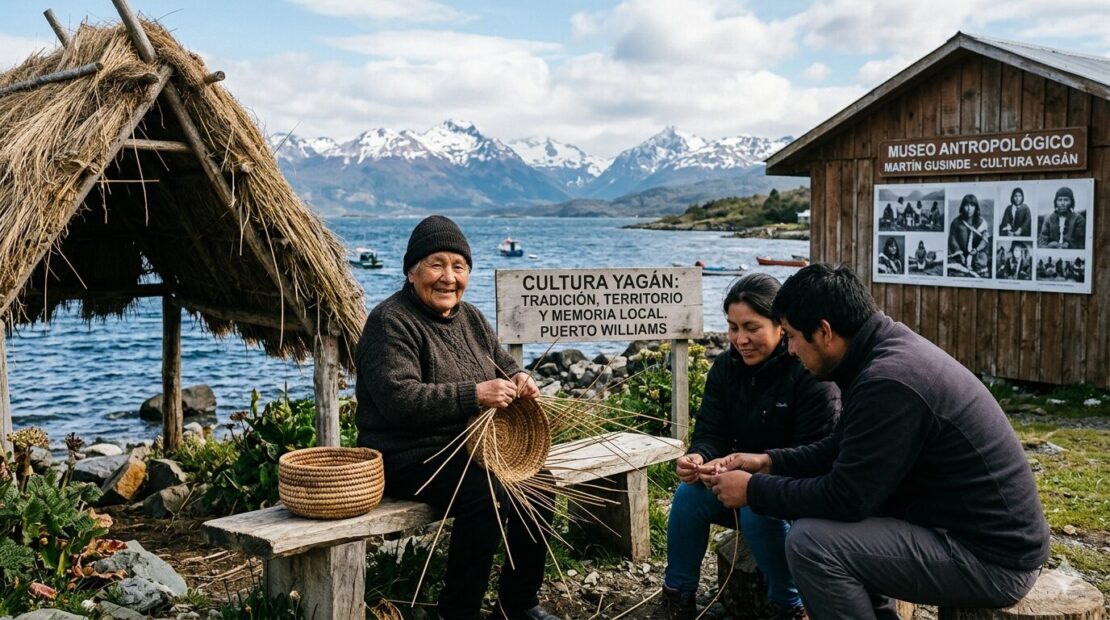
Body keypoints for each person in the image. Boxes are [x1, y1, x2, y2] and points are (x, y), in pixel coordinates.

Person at [698, 264, 1049, 620]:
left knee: (811, 544)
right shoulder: (882, 352)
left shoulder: (888, 381)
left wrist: (753, 490)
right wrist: (768, 462)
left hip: (993, 560)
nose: (789, 350)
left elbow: (846, 498)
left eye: (791, 336)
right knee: (840, 528)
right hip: (962, 532)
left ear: (824, 332)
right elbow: (838, 448)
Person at [355, 215, 559, 620]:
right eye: (436, 265)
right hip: (408, 455)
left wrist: (519, 378)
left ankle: (518, 603)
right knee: (485, 494)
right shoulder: (389, 322)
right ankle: (457, 612)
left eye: (459, 266)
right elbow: (399, 400)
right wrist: (474, 395)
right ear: (412, 272)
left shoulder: (470, 318)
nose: (448, 278)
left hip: (471, 449)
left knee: (539, 483)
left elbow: (502, 364)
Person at [658, 274, 838, 620]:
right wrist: (699, 456)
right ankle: (677, 598)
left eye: (752, 328)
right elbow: (711, 433)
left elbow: (817, 456)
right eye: (732, 327)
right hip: (740, 481)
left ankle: (789, 606)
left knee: (758, 504)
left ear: (781, 326)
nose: (740, 339)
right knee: (689, 495)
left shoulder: (808, 371)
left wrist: (755, 474)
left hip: (799, 493)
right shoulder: (726, 368)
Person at [947, 194, 991, 277]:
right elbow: (952, 239)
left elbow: (985, 240)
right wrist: (959, 252)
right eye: (966, 205)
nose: (969, 209)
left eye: (972, 205)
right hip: (960, 256)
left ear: (976, 207)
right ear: (962, 207)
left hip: (976, 255)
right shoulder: (956, 222)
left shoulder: (981, 222)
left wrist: (976, 250)